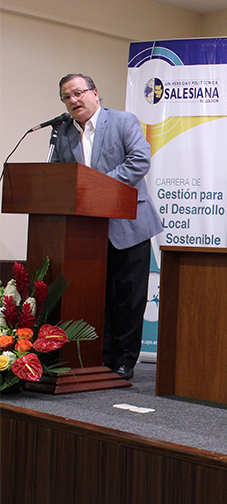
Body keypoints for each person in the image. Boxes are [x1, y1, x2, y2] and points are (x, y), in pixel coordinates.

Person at [50, 74, 163, 381]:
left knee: (128, 298)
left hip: (129, 225)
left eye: (78, 93)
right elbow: (60, 177)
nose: (73, 100)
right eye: (66, 97)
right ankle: (103, 356)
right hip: (86, 231)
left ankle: (126, 360)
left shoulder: (123, 121)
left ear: (95, 94)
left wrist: (98, 187)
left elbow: (140, 160)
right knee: (98, 298)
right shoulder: (63, 133)